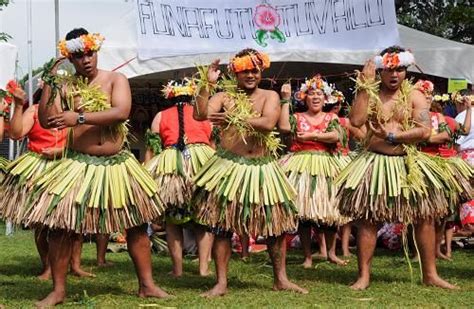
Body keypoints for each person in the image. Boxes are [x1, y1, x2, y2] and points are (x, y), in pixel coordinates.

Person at [18, 28, 169, 307]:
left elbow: (121, 111)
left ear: (96, 51)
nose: (86, 60)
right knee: (61, 227)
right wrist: (50, 80)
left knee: (136, 225)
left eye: (89, 53)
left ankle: (147, 285)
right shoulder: (65, 87)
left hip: (117, 165)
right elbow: (48, 119)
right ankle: (58, 291)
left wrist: (80, 117)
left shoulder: (115, 79)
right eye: (78, 56)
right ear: (70, 59)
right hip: (78, 164)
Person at [336, 46, 456, 290]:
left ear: (406, 70)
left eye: (399, 69)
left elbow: (424, 131)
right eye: (389, 70)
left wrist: (395, 137)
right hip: (374, 162)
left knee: (425, 217)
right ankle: (364, 276)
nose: (394, 75)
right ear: (381, 70)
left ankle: (430, 274)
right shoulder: (370, 92)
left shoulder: (414, 95)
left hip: (408, 162)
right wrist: (363, 86)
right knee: (368, 219)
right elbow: (356, 121)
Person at [192, 49, 307, 296]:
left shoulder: (270, 96)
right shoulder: (224, 95)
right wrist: (206, 84)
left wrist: (232, 117)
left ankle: (281, 279)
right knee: (222, 226)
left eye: (254, 70)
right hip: (229, 166)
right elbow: (199, 114)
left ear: (261, 71)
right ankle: (221, 282)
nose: (250, 75)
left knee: (275, 227)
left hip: (263, 169)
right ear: (235, 72)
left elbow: (267, 124)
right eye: (245, 70)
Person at [0, 84, 109, 279]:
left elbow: (85, 139)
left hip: (69, 166)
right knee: (42, 223)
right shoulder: (34, 111)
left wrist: (62, 151)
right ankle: (48, 266)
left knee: (74, 221)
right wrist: (17, 105)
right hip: (40, 169)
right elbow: (16, 134)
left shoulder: (74, 113)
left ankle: (75, 265)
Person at [144, 79, 214, 277]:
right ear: (192, 95)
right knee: (203, 219)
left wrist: (149, 174)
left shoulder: (160, 116)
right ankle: (203, 269)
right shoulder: (204, 113)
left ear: (171, 96)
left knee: (173, 222)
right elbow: (213, 144)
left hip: (171, 168)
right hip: (202, 164)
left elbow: (153, 149)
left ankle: (177, 270)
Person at [278, 77, 349, 268]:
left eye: (319, 94)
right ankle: (308, 256)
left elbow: (336, 136)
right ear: (304, 98)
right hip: (301, 165)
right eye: (311, 94)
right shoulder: (297, 118)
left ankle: (332, 253)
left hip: (327, 166)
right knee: (304, 214)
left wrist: (313, 136)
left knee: (331, 212)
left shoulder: (332, 118)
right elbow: (284, 128)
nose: (315, 97)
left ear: (326, 98)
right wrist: (285, 100)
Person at [415, 80, 473, 261]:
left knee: (442, 212)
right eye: (423, 95)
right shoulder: (412, 116)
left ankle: (436, 248)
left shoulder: (439, 117)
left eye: (429, 96)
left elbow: (458, 132)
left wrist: (469, 109)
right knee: (421, 212)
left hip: (440, 165)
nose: (426, 98)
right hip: (419, 164)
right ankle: (418, 252)